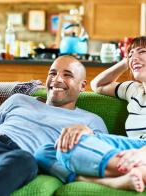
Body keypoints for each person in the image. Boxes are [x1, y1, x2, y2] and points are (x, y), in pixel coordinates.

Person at [0, 55, 107, 196]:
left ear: (82, 85)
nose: (57, 79)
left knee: (25, 163)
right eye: (52, 73)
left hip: (18, 155)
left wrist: (87, 134)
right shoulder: (18, 99)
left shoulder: (91, 120)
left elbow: (104, 156)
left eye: (67, 75)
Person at [35, 36, 146, 193]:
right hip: (131, 149)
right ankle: (120, 179)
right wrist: (127, 61)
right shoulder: (133, 90)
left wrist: (142, 154)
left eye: (142, 51)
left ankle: (135, 170)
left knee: (73, 145)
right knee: (46, 152)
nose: (134, 57)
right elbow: (97, 85)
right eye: (131, 53)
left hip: (141, 151)